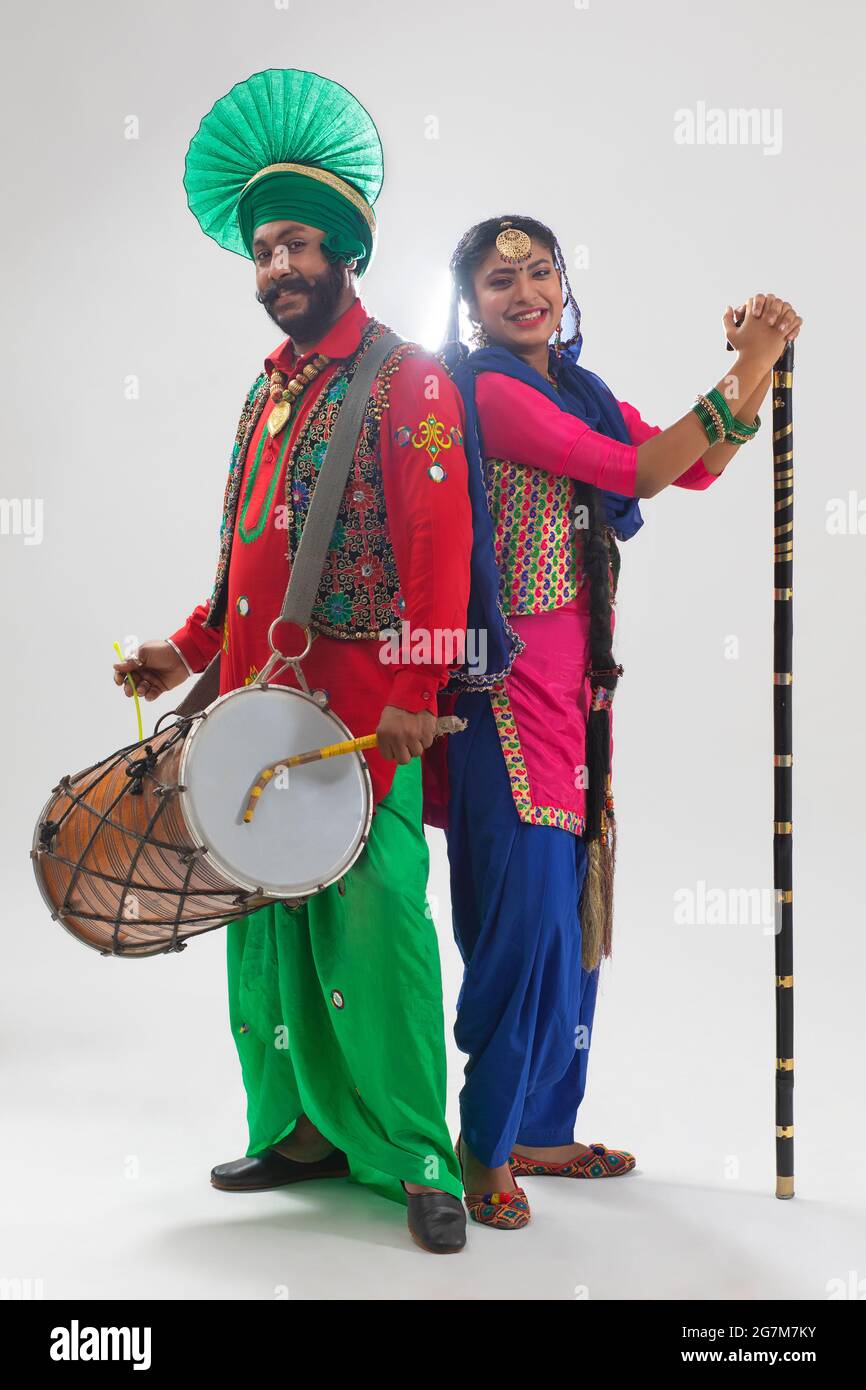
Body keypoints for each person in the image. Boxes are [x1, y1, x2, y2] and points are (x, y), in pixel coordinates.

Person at [112, 69, 474, 1255]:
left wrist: (421, 691)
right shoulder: (265, 391)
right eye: (263, 248)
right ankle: (297, 1131)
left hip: (368, 721)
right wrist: (186, 650)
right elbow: (244, 564)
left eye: (300, 243)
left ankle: (421, 1154)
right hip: (257, 714)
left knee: (376, 928)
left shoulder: (406, 377)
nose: (278, 268)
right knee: (262, 926)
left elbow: (438, 554)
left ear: (348, 253)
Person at [438, 213, 802, 1229]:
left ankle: (541, 1125)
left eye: (539, 270)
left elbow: (696, 459)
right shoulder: (487, 390)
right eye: (497, 279)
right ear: (467, 305)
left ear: (564, 282)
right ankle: (481, 1147)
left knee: (575, 917)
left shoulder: (580, 393)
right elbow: (637, 473)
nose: (523, 292)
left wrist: (751, 368)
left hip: (580, 694)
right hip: (500, 693)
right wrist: (751, 356)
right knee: (523, 923)